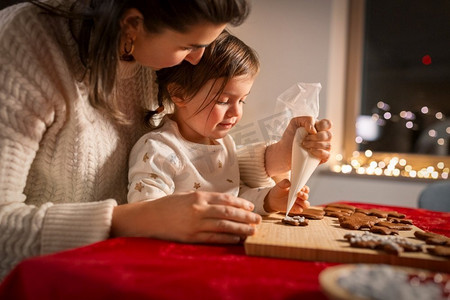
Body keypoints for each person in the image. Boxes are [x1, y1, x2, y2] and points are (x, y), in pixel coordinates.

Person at [0, 0, 332, 280]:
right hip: (38, 280)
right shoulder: (26, 44)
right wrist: (140, 218)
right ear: (132, 23)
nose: (198, 59)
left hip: (116, 271)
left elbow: (191, 154)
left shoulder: (152, 57)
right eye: (189, 45)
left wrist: (278, 156)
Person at [128, 30, 311, 216]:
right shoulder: (159, 150)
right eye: (223, 101)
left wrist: (269, 199)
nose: (236, 112)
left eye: (242, 101)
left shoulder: (225, 144)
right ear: (179, 94)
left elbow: (232, 197)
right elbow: (145, 212)